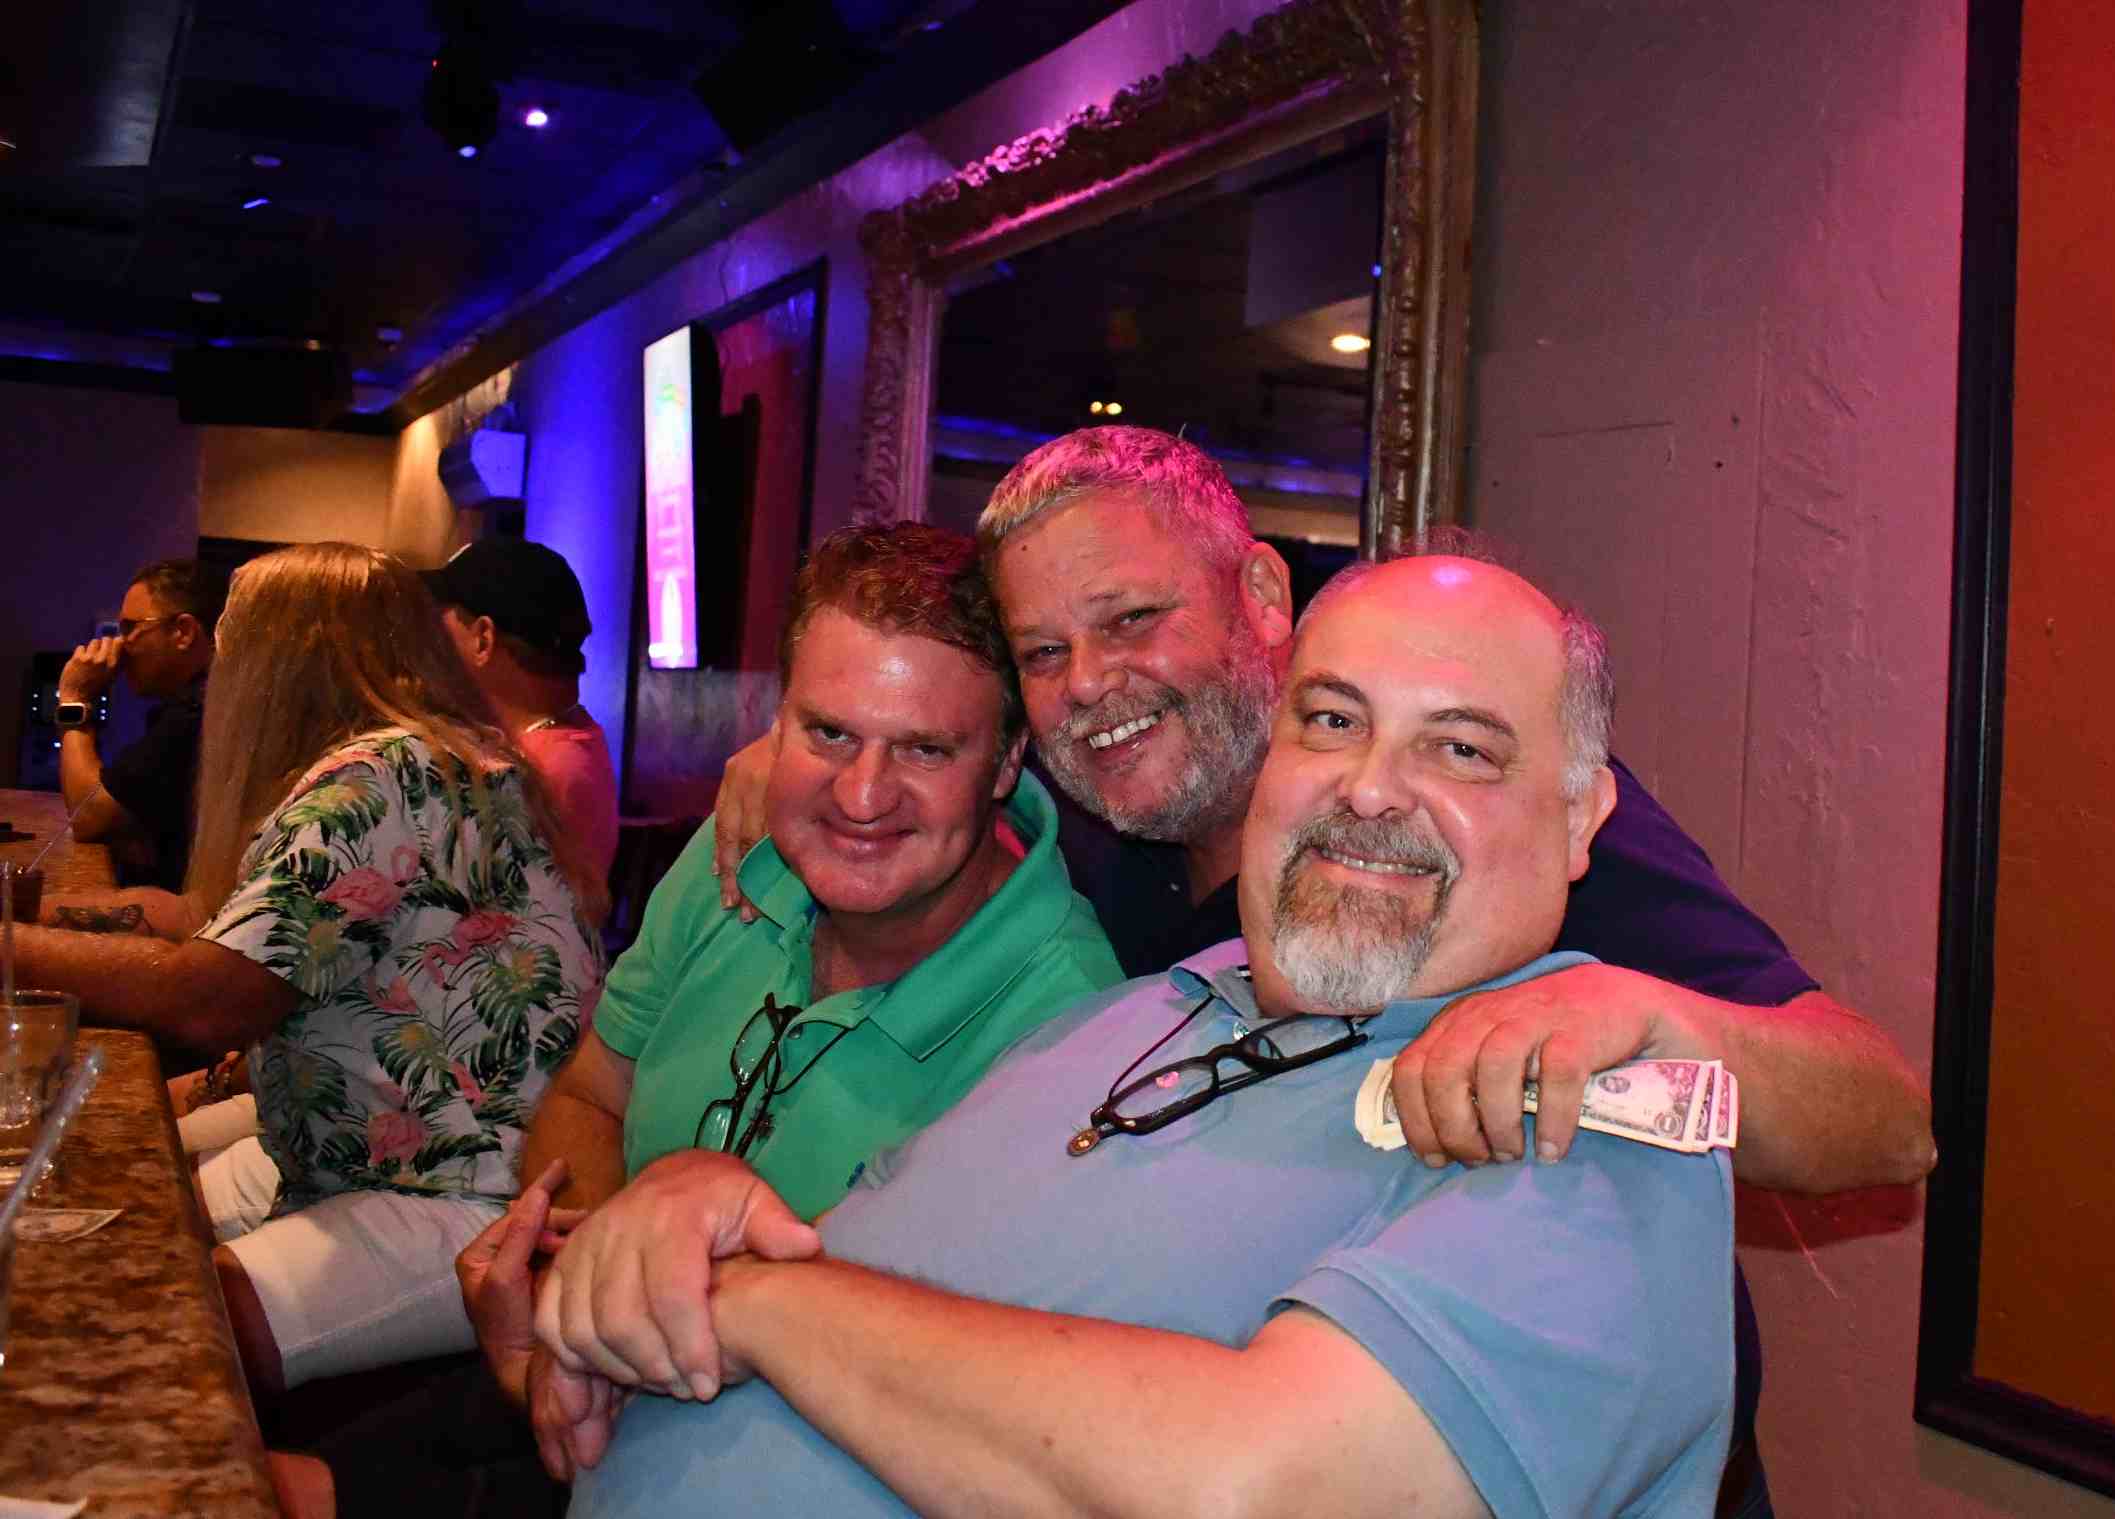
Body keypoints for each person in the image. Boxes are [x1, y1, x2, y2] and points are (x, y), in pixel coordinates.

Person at [539, 550, 1739, 1518]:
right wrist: (693, 1207)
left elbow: (1264, 1491)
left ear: (1578, 818)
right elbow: (886, 1268)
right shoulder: (1137, 1007)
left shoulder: (1584, 1128)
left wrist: (748, 1300)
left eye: (1460, 747)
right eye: (1330, 719)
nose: (1370, 787)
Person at [716, 426, 1932, 1194]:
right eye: (1044, 652)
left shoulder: (1466, 811)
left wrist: (1633, 1011)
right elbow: (923, 756)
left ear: (1259, 591)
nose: (1086, 685)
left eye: (1132, 620)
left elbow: (1882, 1119)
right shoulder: (1092, 813)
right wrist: (799, 759)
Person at [270, 523, 1122, 1519]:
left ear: (1006, 760)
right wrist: (573, 1300)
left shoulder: (1066, 1022)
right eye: (828, 732)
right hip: (588, 1380)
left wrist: (575, 1339)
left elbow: (930, 1388)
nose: (861, 795)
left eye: (925, 748)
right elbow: (593, 1094)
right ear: (774, 726)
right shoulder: (739, 856)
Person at [9, 543, 606, 1398]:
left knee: (165, 1311)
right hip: (389, 1157)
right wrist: (40, 923)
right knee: (116, 1219)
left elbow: (212, 997)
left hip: (473, 1195)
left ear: (280, 663)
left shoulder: (379, 778)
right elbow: (222, 928)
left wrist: (14, 947)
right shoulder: (431, 756)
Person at [425, 537, 621, 890]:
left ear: (483, 639)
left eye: (442, 621)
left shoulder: (540, 773)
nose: (433, 642)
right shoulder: (563, 743)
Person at [54, 558, 225, 892]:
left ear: (183, 632)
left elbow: (89, 816)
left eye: (130, 628)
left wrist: (74, 698)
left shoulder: (197, 711)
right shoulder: (205, 699)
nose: (119, 644)